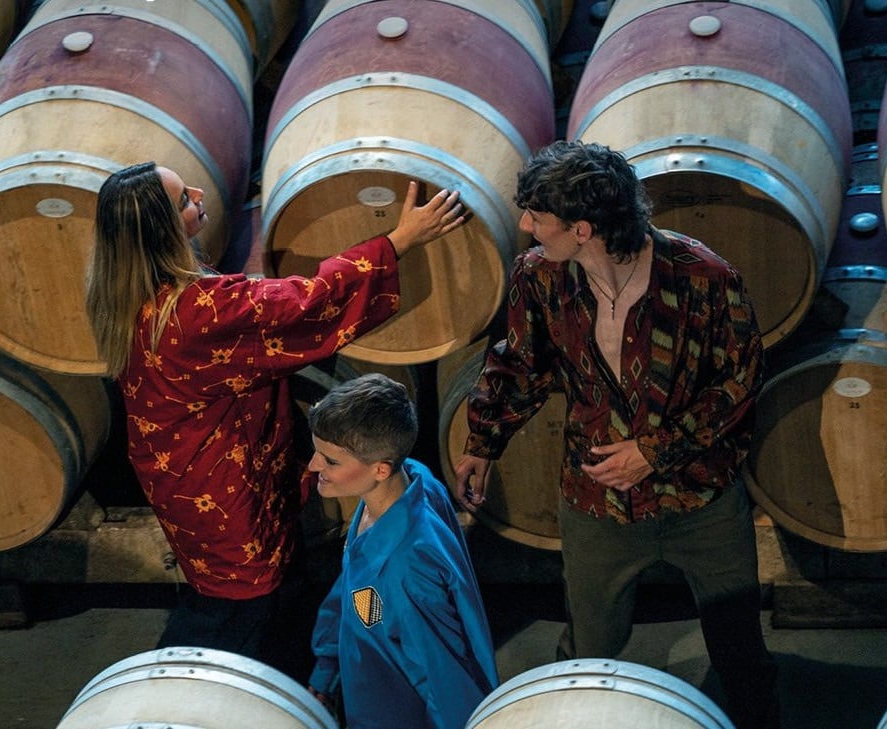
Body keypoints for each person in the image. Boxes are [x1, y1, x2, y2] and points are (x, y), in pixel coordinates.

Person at [453, 140, 780, 729]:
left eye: (536, 217)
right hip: (597, 499)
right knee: (588, 644)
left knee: (738, 648)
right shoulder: (539, 276)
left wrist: (655, 451)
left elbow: (742, 378)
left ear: (583, 228)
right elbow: (521, 364)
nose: (525, 226)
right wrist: (483, 441)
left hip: (699, 497)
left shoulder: (702, 277)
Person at [85, 162, 465, 668]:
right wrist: (397, 241)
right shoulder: (198, 310)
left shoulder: (124, 291)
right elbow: (302, 304)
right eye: (182, 200)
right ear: (161, 229)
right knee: (243, 611)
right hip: (223, 487)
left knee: (228, 592)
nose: (199, 193)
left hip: (183, 478)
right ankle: (205, 696)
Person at [306, 373, 498, 729]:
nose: (313, 466)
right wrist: (327, 668)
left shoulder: (405, 570)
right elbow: (353, 589)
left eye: (330, 461)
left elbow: (444, 679)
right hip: (365, 688)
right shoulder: (409, 479)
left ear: (379, 468)